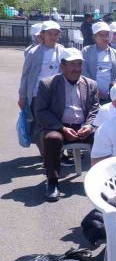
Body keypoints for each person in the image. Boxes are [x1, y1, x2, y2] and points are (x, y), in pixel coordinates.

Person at [34, 49, 98, 201]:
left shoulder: (90, 84)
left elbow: (95, 109)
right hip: (59, 127)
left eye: (79, 64)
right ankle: (52, 182)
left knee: (104, 135)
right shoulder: (48, 84)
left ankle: (101, 179)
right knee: (53, 139)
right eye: (72, 64)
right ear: (62, 66)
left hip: (83, 127)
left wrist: (89, 125)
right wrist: (61, 128)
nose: (76, 68)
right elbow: (41, 112)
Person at [18, 21, 67, 115]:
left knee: (53, 121)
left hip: (55, 95)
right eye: (49, 34)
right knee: (36, 122)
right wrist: (22, 96)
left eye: (56, 34)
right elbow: (25, 75)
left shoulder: (62, 51)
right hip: (37, 94)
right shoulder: (33, 52)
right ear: (42, 34)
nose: (53, 37)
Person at [81, 22, 116, 103]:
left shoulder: (114, 53)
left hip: (111, 94)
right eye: (101, 35)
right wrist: (95, 90)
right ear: (94, 37)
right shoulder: (86, 51)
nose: (105, 37)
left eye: (107, 34)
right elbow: (84, 71)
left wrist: (113, 88)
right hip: (91, 93)